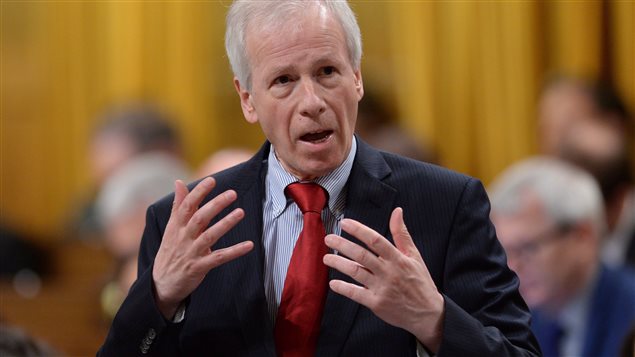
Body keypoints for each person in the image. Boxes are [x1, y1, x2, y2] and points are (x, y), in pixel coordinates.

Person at [99, 1, 539, 356]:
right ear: (248, 99)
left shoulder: (447, 204)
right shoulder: (186, 222)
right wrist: (159, 299)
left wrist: (433, 319)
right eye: (284, 80)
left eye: (327, 72)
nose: (311, 101)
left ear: (357, 77)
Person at [489, 157, 635, 357]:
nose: (512, 266)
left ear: (583, 237)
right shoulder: (522, 318)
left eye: (527, 248)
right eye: (504, 251)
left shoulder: (629, 312)